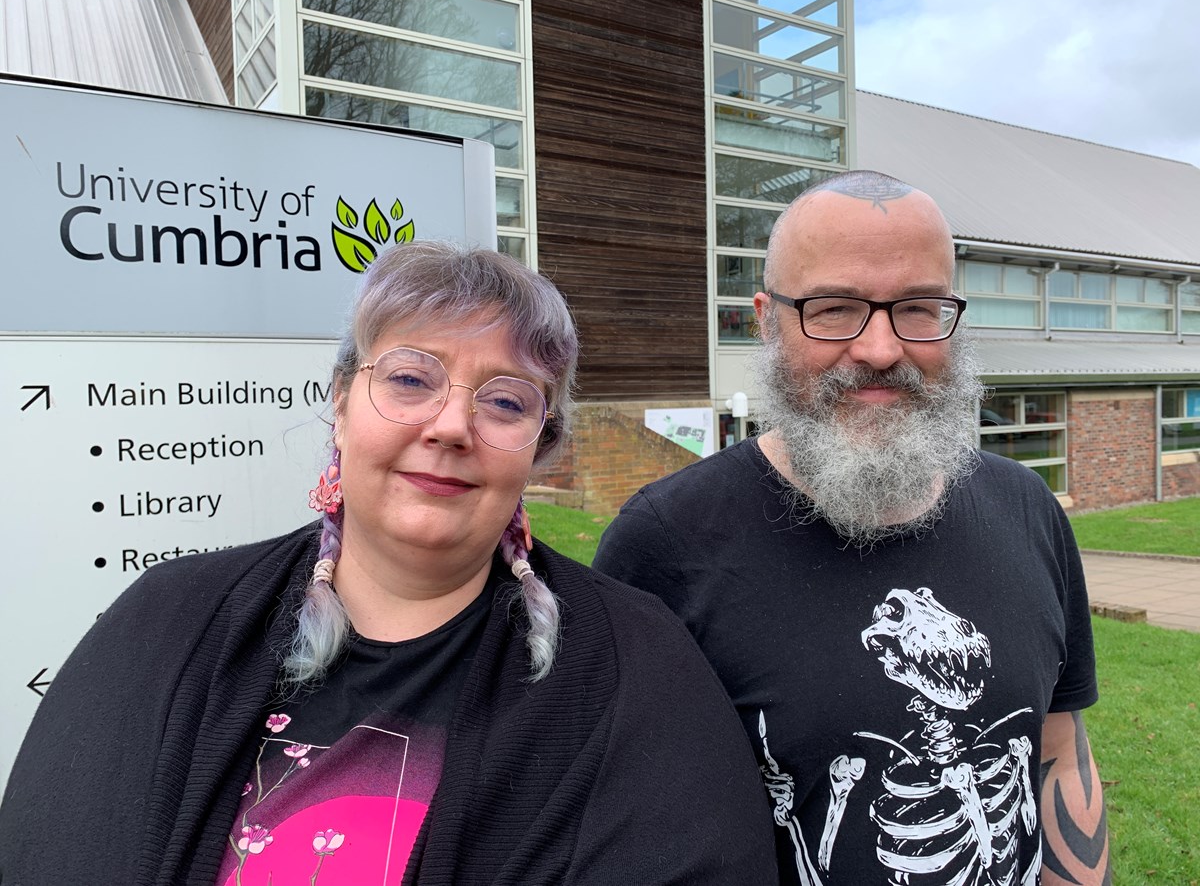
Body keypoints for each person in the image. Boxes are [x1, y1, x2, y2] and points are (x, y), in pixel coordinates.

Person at [0, 242, 778, 885]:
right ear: (340, 401)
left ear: (540, 449)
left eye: (506, 401)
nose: (450, 425)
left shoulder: (638, 673)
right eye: (410, 378)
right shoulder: (168, 622)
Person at [595, 171, 1110, 885]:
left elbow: (1058, 750)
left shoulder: (1027, 508)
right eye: (834, 309)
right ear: (765, 320)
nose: (879, 349)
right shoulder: (664, 544)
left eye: (918, 307)